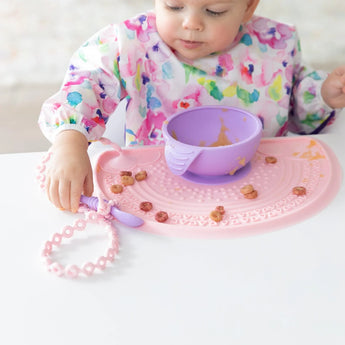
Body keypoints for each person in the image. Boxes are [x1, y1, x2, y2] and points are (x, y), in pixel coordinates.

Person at [39, 0, 345, 212]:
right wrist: (70, 142)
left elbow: (298, 108)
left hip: (258, 186)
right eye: (174, 6)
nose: (191, 23)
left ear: (248, 6)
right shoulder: (132, 42)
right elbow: (85, 84)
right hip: (158, 192)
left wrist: (323, 94)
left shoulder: (275, 44)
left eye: (214, 10)